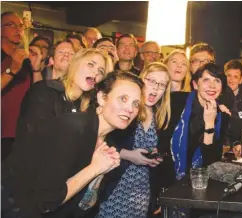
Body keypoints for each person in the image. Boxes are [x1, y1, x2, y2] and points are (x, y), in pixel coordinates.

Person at [1, 71, 145, 218]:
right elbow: (46, 201)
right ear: (102, 97)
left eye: (136, 103)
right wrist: (94, 169)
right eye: (123, 99)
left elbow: (86, 204)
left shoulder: (107, 143)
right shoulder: (70, 128)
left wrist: (99, 174)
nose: (130, 109)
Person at [98, 62, 171, 218]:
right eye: (151, 81)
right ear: (141, 80)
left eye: (162, 84)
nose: (156, 88)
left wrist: (155, 157)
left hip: (141, 193)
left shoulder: (160, 117)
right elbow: (100, 142)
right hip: (115, 187)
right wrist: (129, 155)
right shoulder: (125, 109)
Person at [154, 62, 231, 196]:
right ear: (196, 85)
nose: (212, 86)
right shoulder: (176, 101)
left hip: (199, 183)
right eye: (206, 80)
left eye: (217, 81)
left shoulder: (223, 115)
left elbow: (211, 160)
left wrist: (209, 124)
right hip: (166, 179)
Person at [17, 49, 113, 138]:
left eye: (101, 71)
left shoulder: (89, 108)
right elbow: (35, 136)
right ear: (75, 64)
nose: (96, 72)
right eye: (91, 64)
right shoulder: (45, 90)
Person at [1, 11, 37, 161]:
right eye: (11, 25)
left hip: (19, 133)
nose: (18, 30)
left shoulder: (25, 60)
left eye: (21, 26)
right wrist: (13, 70)